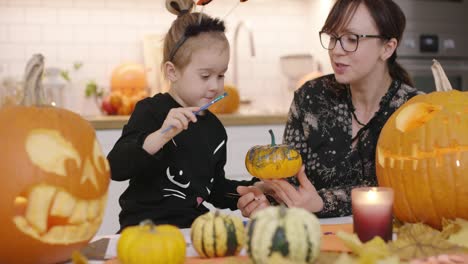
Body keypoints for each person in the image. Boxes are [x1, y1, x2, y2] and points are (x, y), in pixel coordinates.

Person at [237, 0, 422, 218]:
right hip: (312, 238)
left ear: (387, 48)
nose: (335, 50)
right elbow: (290, 178)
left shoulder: (415, 112)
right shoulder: (310, 97)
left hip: (387, 241)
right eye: (333, 38)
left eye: (351, 39)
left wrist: (322, 203)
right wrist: (266, 196)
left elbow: (407, 194)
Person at [108, 0, 257, 231]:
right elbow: (115, 167)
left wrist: (247, 192)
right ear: (172, 71)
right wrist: (159, 137)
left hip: (193, 231)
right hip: (143, 231)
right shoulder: (150, 111)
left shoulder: (215, 130)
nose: (215, 86)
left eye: (221, 75)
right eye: (205, 76)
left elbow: (213, 188)